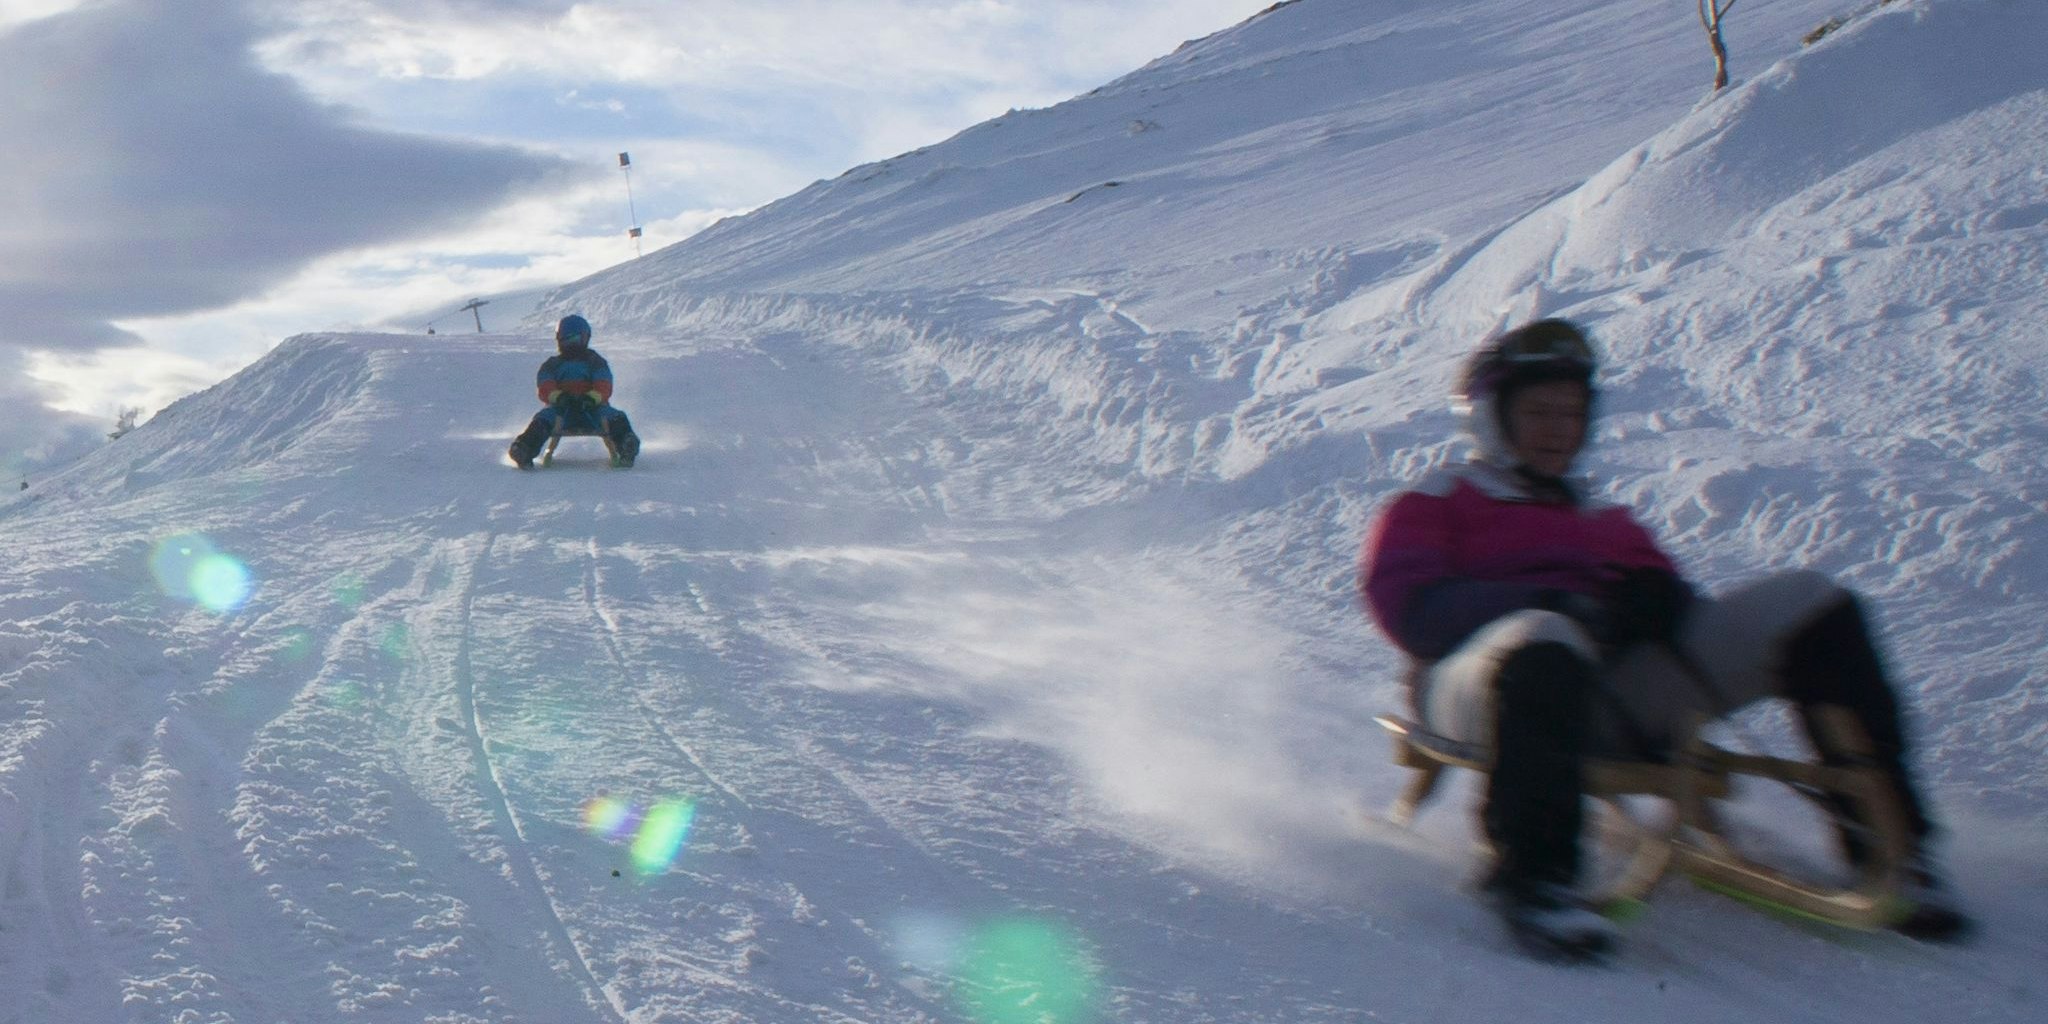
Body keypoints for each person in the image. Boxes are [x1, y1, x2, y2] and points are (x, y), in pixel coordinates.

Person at [1358, 317, 1970, 960]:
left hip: (1613, 698)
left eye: (1572, 413)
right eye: (1539, 411)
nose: (1559, 428)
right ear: (1490, 416)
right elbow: (1412, 610)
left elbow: (1675, 605)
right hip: (1477, 689)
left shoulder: (1602, 517)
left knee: (1814, 602)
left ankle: (1897, 850)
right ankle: (1536, 880)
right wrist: (1545, 601)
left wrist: (1660, 600)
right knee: (1545, 637)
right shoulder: (1434, 502)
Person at [507, 314, 641, 469]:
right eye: (567, 340)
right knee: (544, 418)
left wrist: (590, 399)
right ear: (559, 341)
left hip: (593, 409)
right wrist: (559, 397)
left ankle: (626, 444)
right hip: (562, 409)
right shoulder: (552, 365)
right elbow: (545, 385)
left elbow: (604, 385)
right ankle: (524, 448)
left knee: (613, 417)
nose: (572, 345)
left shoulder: (595, 361)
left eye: (575, 340)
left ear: (585, 339)